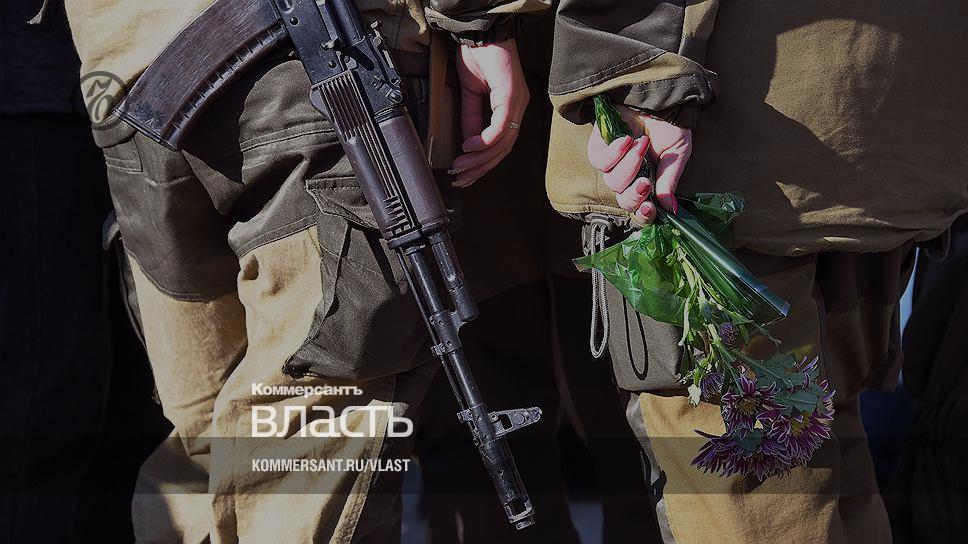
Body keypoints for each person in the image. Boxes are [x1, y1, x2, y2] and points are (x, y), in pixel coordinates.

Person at [64, 0, 550, 541]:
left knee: (204, 444)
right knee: (310, 435)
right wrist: (481, 23)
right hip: (312, 61)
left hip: (128, 67)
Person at [545, 1, 968, 543]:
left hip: (717, 155)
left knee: (758, 487)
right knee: (833, 451)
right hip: (887, 131)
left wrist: (634, 77)